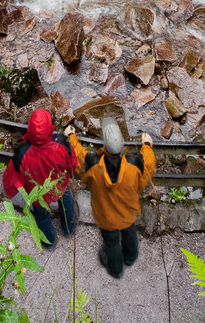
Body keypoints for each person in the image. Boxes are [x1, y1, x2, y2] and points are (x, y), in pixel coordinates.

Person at [65, 117, 155, 279]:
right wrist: (147, 145)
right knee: (130, 234)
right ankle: (130, 257)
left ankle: (116, 270)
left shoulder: (93, 164)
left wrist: (71, 136)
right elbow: (148, 166)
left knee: (111, 243)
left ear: (105, 146)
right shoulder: (134, 164)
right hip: (127, 213)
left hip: (106, 216)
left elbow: (79, 156)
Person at [3, 107, 77, 249]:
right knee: (66, 200)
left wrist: (10, 192)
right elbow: (72, 163)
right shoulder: (61, 142)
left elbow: (13, 178)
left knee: (41, 215)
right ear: (49, 126)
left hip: (37, 193)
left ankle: (49, 242)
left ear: (30, 128)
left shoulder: (22, 151)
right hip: (59, 185)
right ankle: (69, 229)